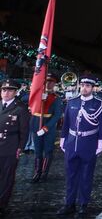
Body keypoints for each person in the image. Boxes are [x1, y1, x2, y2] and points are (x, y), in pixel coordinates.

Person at [57, 76, 102, 215]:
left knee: (86, 176)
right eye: (83, 85)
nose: (84, 88)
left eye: (87, 86)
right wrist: (63, 139)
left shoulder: (99, 104)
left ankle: (83, 204)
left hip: (89, 143)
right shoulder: (72, 101)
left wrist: (101, 142)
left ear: (92, 88)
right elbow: (66, 122)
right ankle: (69, 204)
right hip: (72, 143)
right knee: (71, 176)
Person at [0, 79, 30, 214]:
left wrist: (20, 148)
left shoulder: (20, 108)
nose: (6, 93)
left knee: (7, 177)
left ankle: (2, 203)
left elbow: (24, 131)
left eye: (10, 90)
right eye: (4, 90)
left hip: (10, 146)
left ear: (15, 92)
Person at [30, 73, 63, 183]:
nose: (48, 83)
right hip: (36, 125)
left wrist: (46, 127)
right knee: (37, 151)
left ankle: (44, 173)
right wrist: (39, 96)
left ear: (54, 84)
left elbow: (57, 115)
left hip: (48, 127)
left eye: (51, 82)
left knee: (48, 151)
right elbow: (25, 99)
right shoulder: (36, 94)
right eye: (46, 81)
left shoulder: (56, 98)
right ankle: (37, 172)